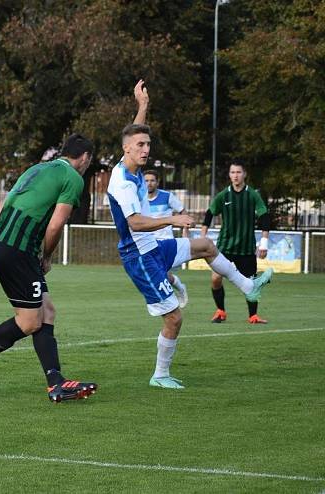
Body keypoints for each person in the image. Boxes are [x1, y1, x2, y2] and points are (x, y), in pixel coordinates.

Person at [106, 80, 272, 390]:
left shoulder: (130, 161)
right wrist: (173, 217)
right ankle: (160, 375)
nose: (146, 149)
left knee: (207, 245)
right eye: (140, 146)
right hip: (140, 256)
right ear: (127, 149)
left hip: (154, 246)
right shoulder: (122, 183)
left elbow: (135, 132)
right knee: (174, 319)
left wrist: (143, 106)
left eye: (147, 145)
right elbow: (136, 224)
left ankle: (249, 287)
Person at [0, 133, 98, 404]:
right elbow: (55, 225)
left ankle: (56, 382)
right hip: (18, 250)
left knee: (47, 311)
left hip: (8, 244)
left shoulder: (38, 168)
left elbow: (5, 201)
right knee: (30, 321)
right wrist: (47, 256)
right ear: (84, 158)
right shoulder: (73, 178)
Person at [201, 162, 271, 324]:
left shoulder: (252, 195)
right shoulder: (223, 195)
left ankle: (253, 315)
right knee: (215, 279)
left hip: (246, 248)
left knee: (251, 282)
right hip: (225, 247)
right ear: (229, 175)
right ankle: (220, 311)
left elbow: (265, 217)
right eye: (232, 172)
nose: (235, 175)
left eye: (238, 172)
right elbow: (209, 214)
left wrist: (264, 243)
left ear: (244, 174)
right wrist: (203, 236)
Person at [143, 169, 188, 306]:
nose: (149, 183)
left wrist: (185, 229)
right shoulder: (140, 199)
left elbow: (182, 211)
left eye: (152, 180)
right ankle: (179, 288)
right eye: (146, 180)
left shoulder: (167, 197)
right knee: (158, 275)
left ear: (157, 182)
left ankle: (172, 298)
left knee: (160, 275)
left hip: (166, 242)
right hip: (148, 243)